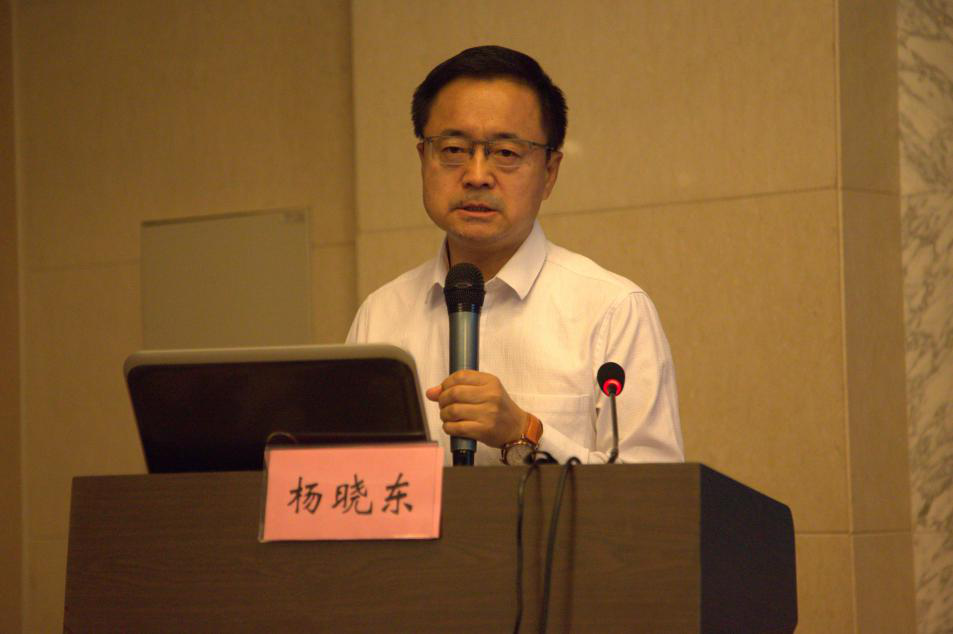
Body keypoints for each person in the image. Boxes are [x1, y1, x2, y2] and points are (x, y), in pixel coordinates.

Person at [347, 45, 683, 466]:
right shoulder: (380, 316)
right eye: (453, 150)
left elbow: (654, 490)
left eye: (506, 153)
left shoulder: (612, 311)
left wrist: (524, 432)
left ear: (549, 172)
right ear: (423, 159)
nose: (476, 176)